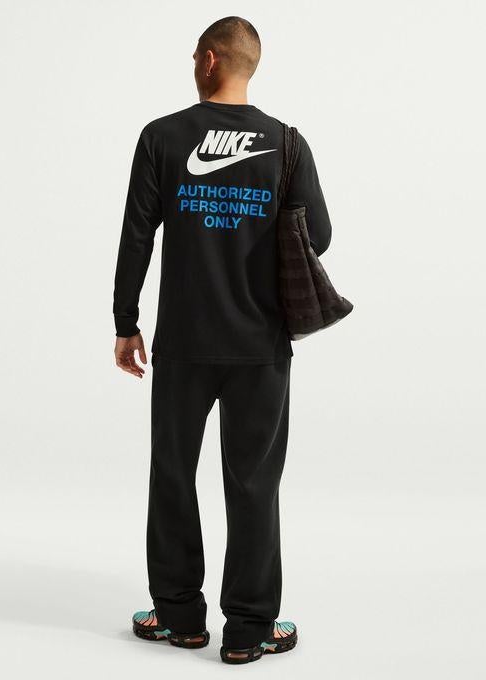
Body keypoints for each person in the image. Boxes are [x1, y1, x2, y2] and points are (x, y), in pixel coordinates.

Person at [113, 16, 332, 665]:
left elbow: (136, 236)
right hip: (260, 346)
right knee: (254, 482)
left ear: (209, 60)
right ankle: (249, 630)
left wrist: (126, 323)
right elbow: (318, 236)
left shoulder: (162, 137)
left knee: (173, 474)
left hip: (183, 342)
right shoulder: (287, 144)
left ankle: (180, 617)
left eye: (194, 56)